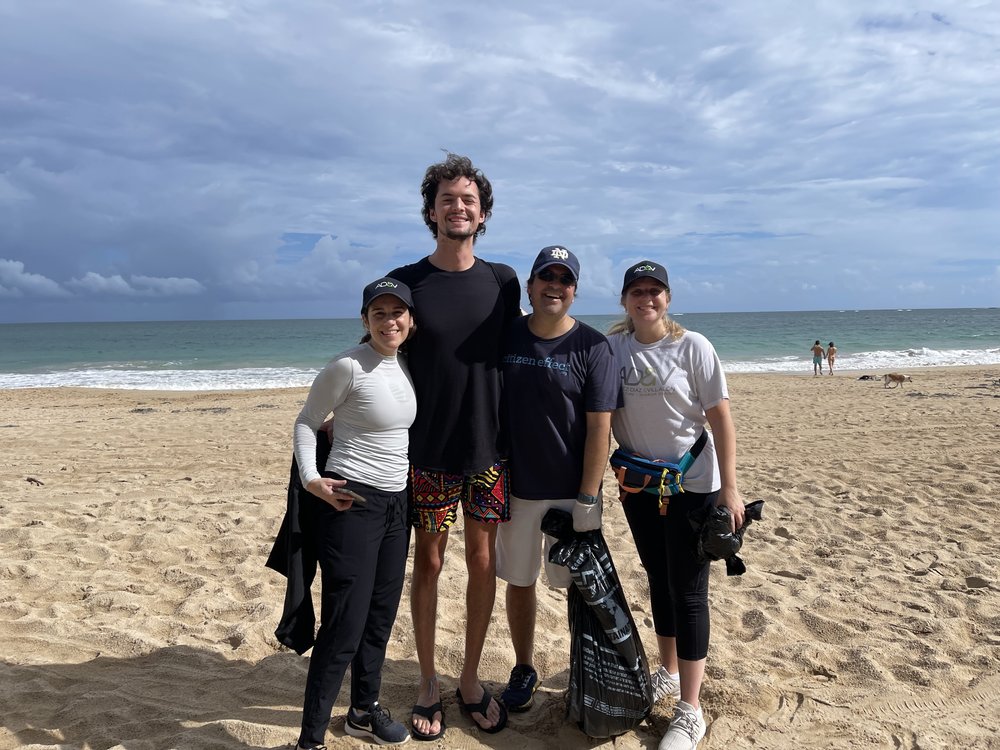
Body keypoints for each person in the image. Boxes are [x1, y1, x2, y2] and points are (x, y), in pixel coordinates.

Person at [387, 153, 521, 739]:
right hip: (429, 451)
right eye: (447, 199)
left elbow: (530, 349)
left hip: (489, 453)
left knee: (483, 561)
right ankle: (426, 681)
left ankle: (468, 677)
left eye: (468, 199)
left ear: (483, 212)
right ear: (430, 210)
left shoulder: (502, 280)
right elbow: (378, 351)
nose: (458, 207)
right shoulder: (408, 282)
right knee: (431, 562)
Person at [607, 260, 745, 750]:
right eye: (637, 291)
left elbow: (721, 420)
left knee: (688, 590)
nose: (647, 298)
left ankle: (691, 708)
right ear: (624, 300)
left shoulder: (693, 347)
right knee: (657, 577)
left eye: (655, 291)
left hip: (693, 487)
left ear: (668, 298)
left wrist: (731, 488)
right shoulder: (614, 348)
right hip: (639, 487)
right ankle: (666, 670)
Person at [290, 278, 417, 749]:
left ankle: (364, 711)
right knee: (344, 623)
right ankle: (310, 740)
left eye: (397, 312)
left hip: (396, 504)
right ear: (365, 320)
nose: (390, 321)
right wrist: (311, 479)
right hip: (352, 503)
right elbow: (306, 422)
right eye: (379, 313)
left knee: (380, 615)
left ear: (410, 319)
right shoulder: (348, 365)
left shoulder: (402, 364)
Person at [495, 246, 621, 712]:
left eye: (564, 279)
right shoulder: (506, 337)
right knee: (520, 579)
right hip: (517, 488)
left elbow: (599, 426)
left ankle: (586, 670)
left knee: (579, 587)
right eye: (545, 276)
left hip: (573, 492)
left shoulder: (593, 346)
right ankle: (524, 666)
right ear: (529, 287)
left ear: (574, 291)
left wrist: (588, 495)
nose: (554, 285)